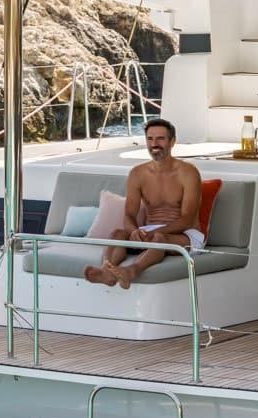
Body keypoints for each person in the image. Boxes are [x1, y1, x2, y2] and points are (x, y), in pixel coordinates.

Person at [84, 117, 203, 290]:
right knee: (118, 233)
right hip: (150, 232)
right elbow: (129, 214)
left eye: (160, 139)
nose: (154, 144)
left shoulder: (188, 173)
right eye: (150, 139)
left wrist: (154, 232)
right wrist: (134, 231)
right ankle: (106, 271)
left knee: (159, 238)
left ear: (172, 142)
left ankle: (131, 271)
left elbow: (187, 219)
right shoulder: (137, 173)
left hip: (185, 235)